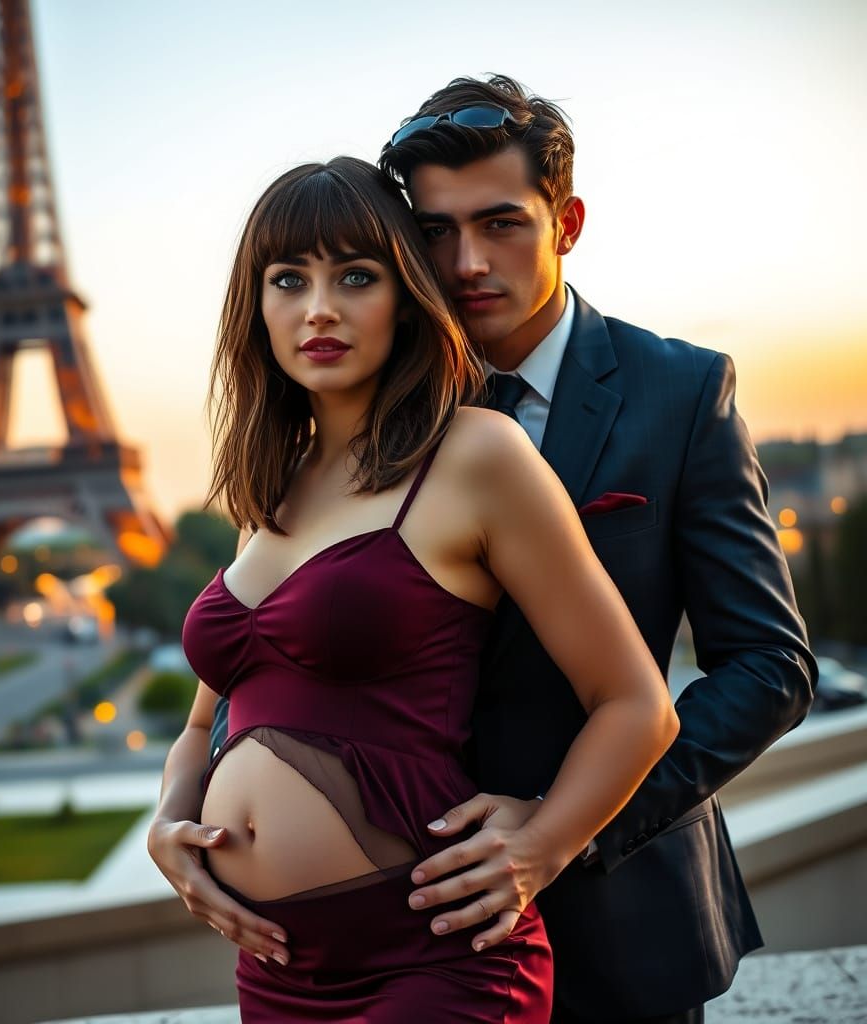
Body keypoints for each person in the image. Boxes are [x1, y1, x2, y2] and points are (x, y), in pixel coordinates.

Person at [149, 156, 679, 1022]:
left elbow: (637, 705)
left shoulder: (477, 454)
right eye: (289, 279)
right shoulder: (269, 490)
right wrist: (169, 823)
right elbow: (205, 723)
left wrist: (541, 849)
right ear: (257, 306)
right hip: (276, 971)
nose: (320, 308)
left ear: (405, 298)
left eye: (356, 277)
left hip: (433, 958)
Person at [374, 75, 817, 1023]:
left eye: (501, 224)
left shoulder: (681, 392)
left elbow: (770, 668)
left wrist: (562, 826)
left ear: (566, 223)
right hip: (419, 924)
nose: (466, 263)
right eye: (437, 232)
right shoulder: (379, 411)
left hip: (628, 919)